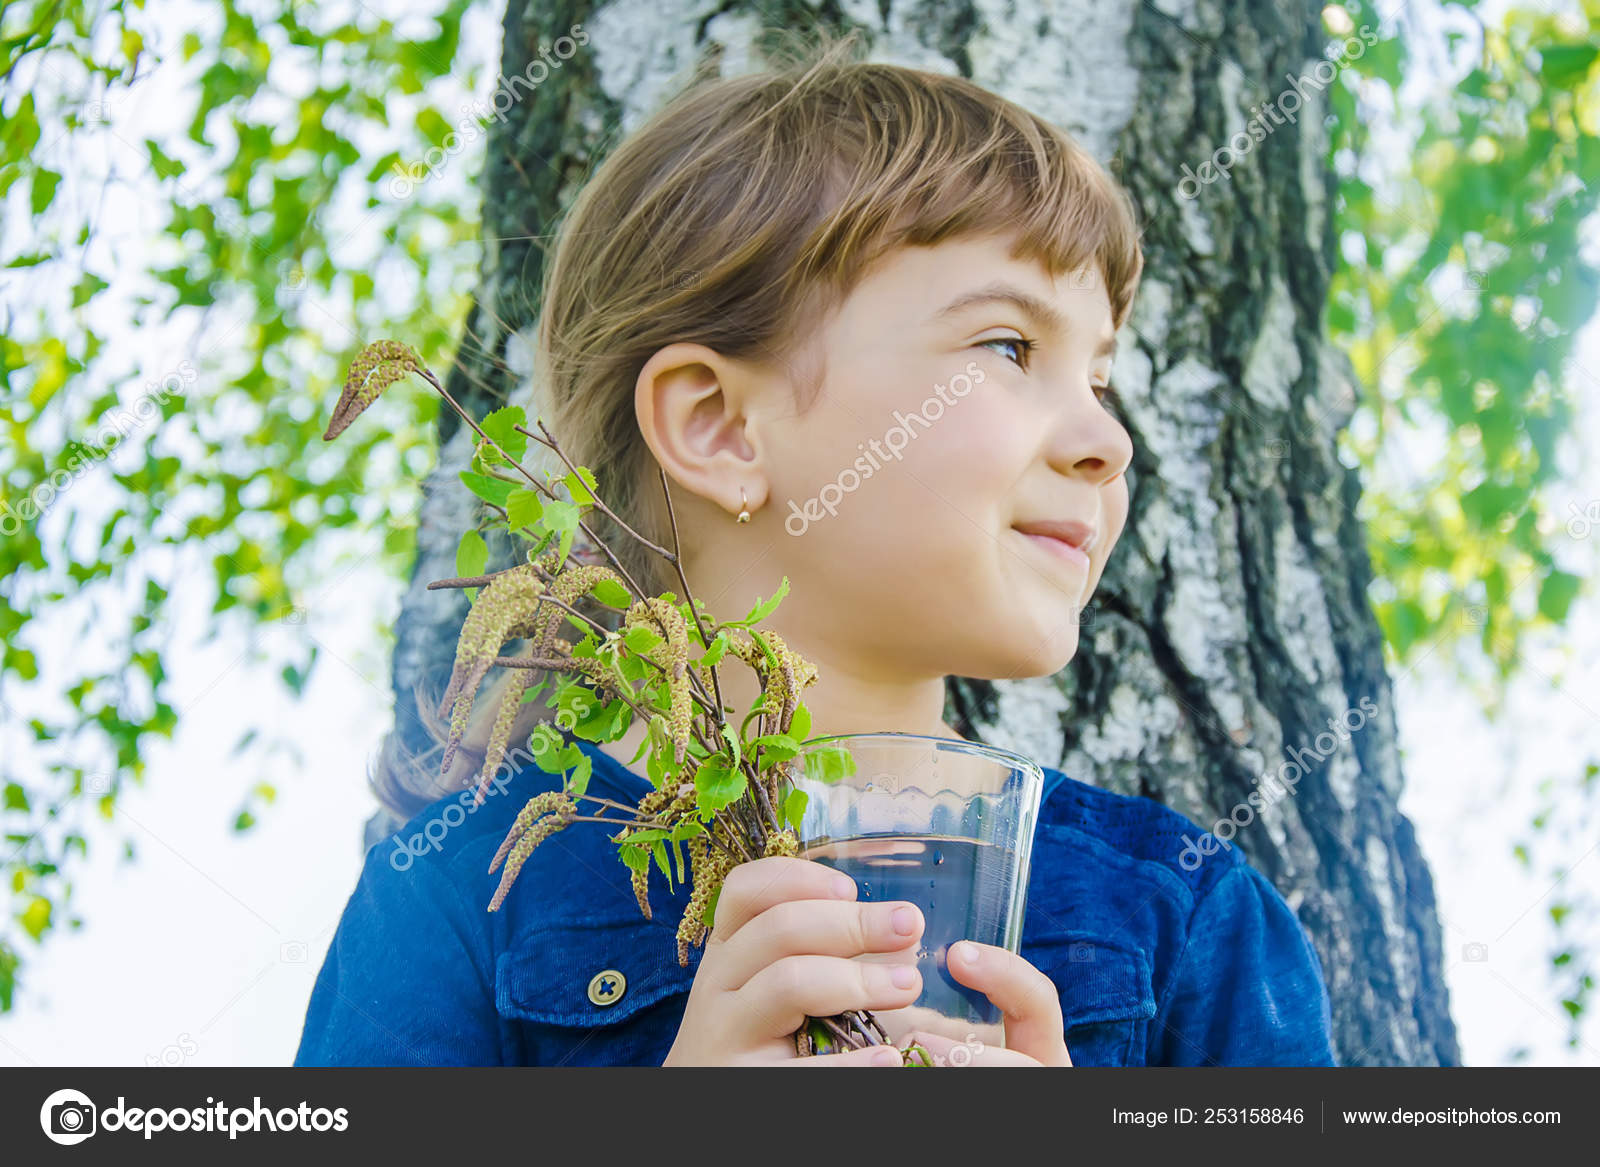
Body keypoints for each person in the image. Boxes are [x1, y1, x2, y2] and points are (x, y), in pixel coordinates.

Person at [294, 32, 1337, 1069]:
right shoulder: (452, 907)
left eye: (1099, 380)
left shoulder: (1186, 918)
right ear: (720, 428)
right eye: (1009, 348)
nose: (1106, 442)